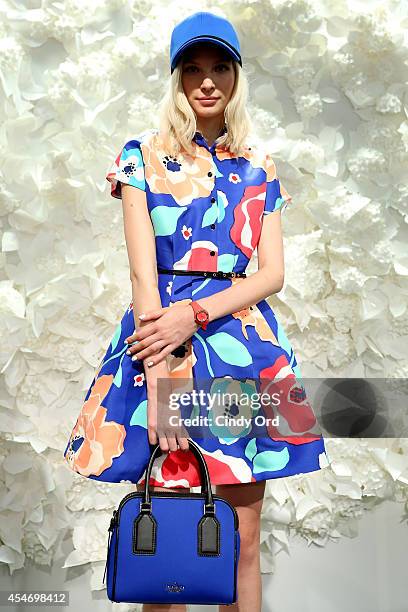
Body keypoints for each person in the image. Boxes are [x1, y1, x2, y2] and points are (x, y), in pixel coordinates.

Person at [63, 11, 330, 612]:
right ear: (177, 79)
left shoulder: (260, 166)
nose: (207, 82)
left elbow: (271, 274)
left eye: (219, 69)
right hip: (163, 348)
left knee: (243, 540)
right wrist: (162, 379)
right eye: (193, 70)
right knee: (173, 538)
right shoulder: (142, 157)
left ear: (235, 78)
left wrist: (198, 314)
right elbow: (142, 275)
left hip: (242, 350)